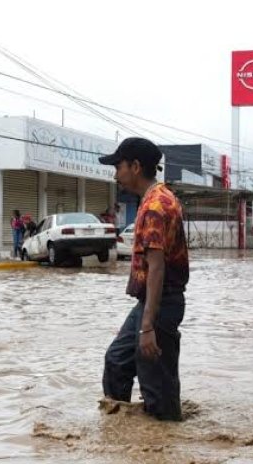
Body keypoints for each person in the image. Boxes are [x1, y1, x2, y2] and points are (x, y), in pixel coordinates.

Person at [99, 137, 189, 421]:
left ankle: (164, 442)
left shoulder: (155, 206)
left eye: (118, 166)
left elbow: (157, 266)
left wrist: (147, 326)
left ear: (135, 167)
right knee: (117, 360)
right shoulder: (156, 198)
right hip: (151, 302)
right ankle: (122, 433)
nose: (115, 174)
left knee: (156, 386)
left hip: (159, 304)